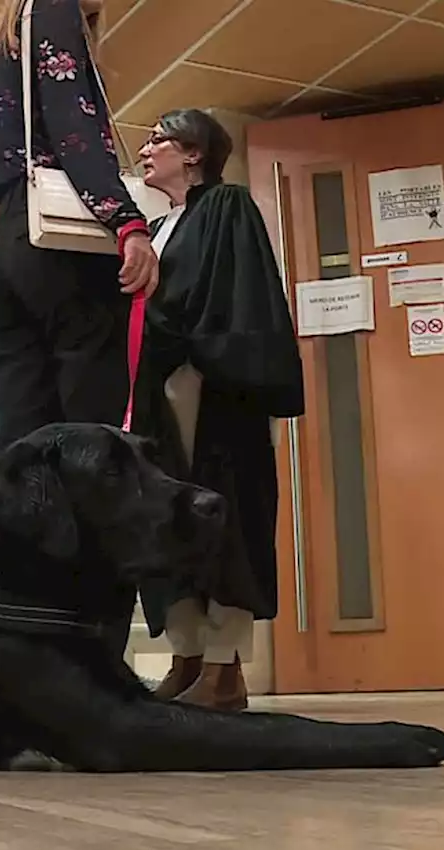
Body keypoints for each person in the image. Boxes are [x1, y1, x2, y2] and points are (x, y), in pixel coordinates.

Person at [0, 0, 158, 450]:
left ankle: (28, 521)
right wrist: (126, 221)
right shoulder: (55, 10)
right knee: (90, 421)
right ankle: (88, 520)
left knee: (25, 432)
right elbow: (72, 127)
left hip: (2, 253)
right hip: (55, 246)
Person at [132, 109, 304, 711]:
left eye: (159, 140)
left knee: (222, 513)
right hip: (160, 390)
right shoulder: (155, 226)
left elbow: (235, 294)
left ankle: (224, 666)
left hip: (211, 386)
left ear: (195, 153)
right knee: (166, 518)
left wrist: (190, 346)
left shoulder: (227, 206)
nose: (146, 149)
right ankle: (186, 656)